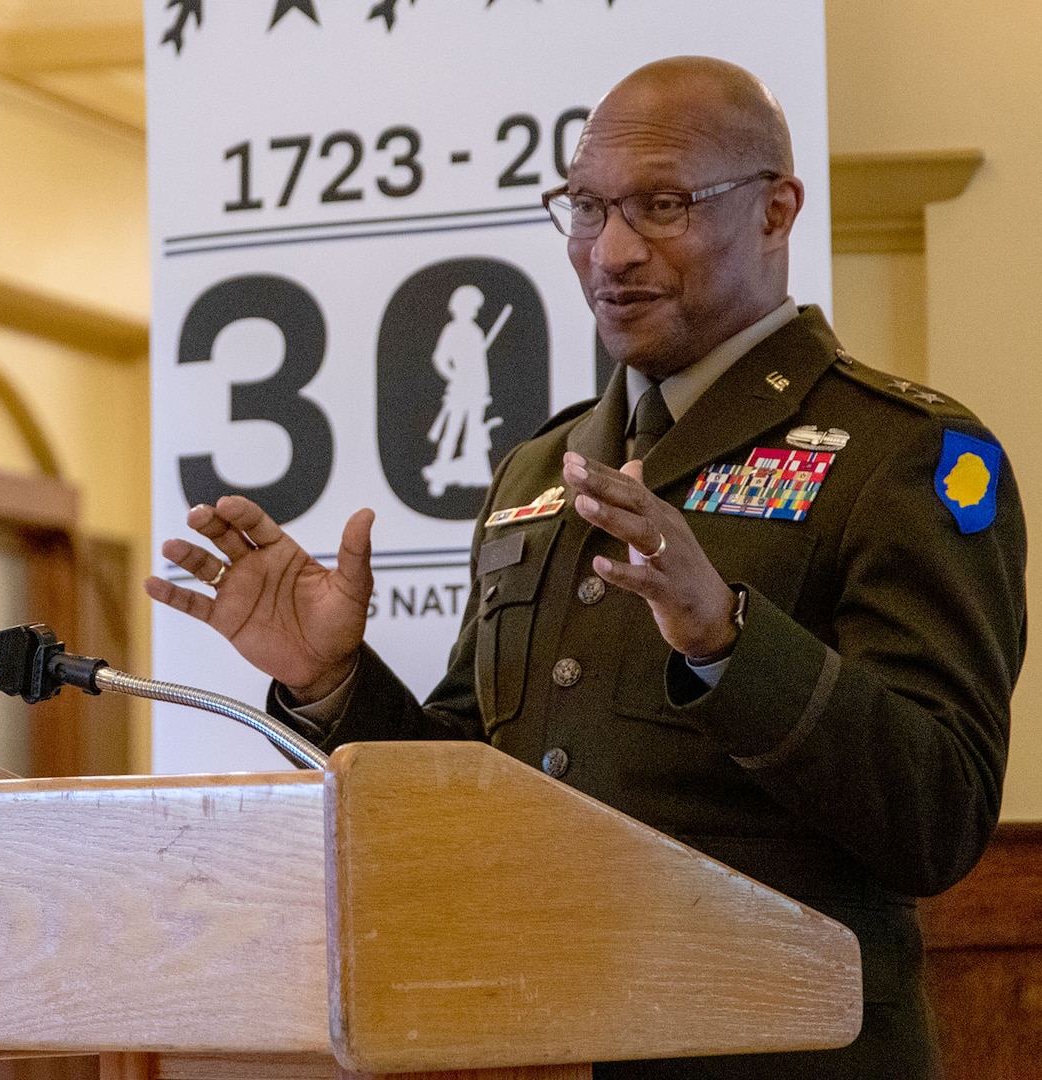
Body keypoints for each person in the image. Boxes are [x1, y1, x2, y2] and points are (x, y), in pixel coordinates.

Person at [145, 56, 1027, 1078]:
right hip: (540, 1043)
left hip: (783, 1050)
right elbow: (472, 793)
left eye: (662, 205)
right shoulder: (540, 465)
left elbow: (942, 816)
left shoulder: (905, 456)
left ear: (776, 211)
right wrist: (331, 680)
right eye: (585, 207)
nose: (612, 251)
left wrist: (728, 645)